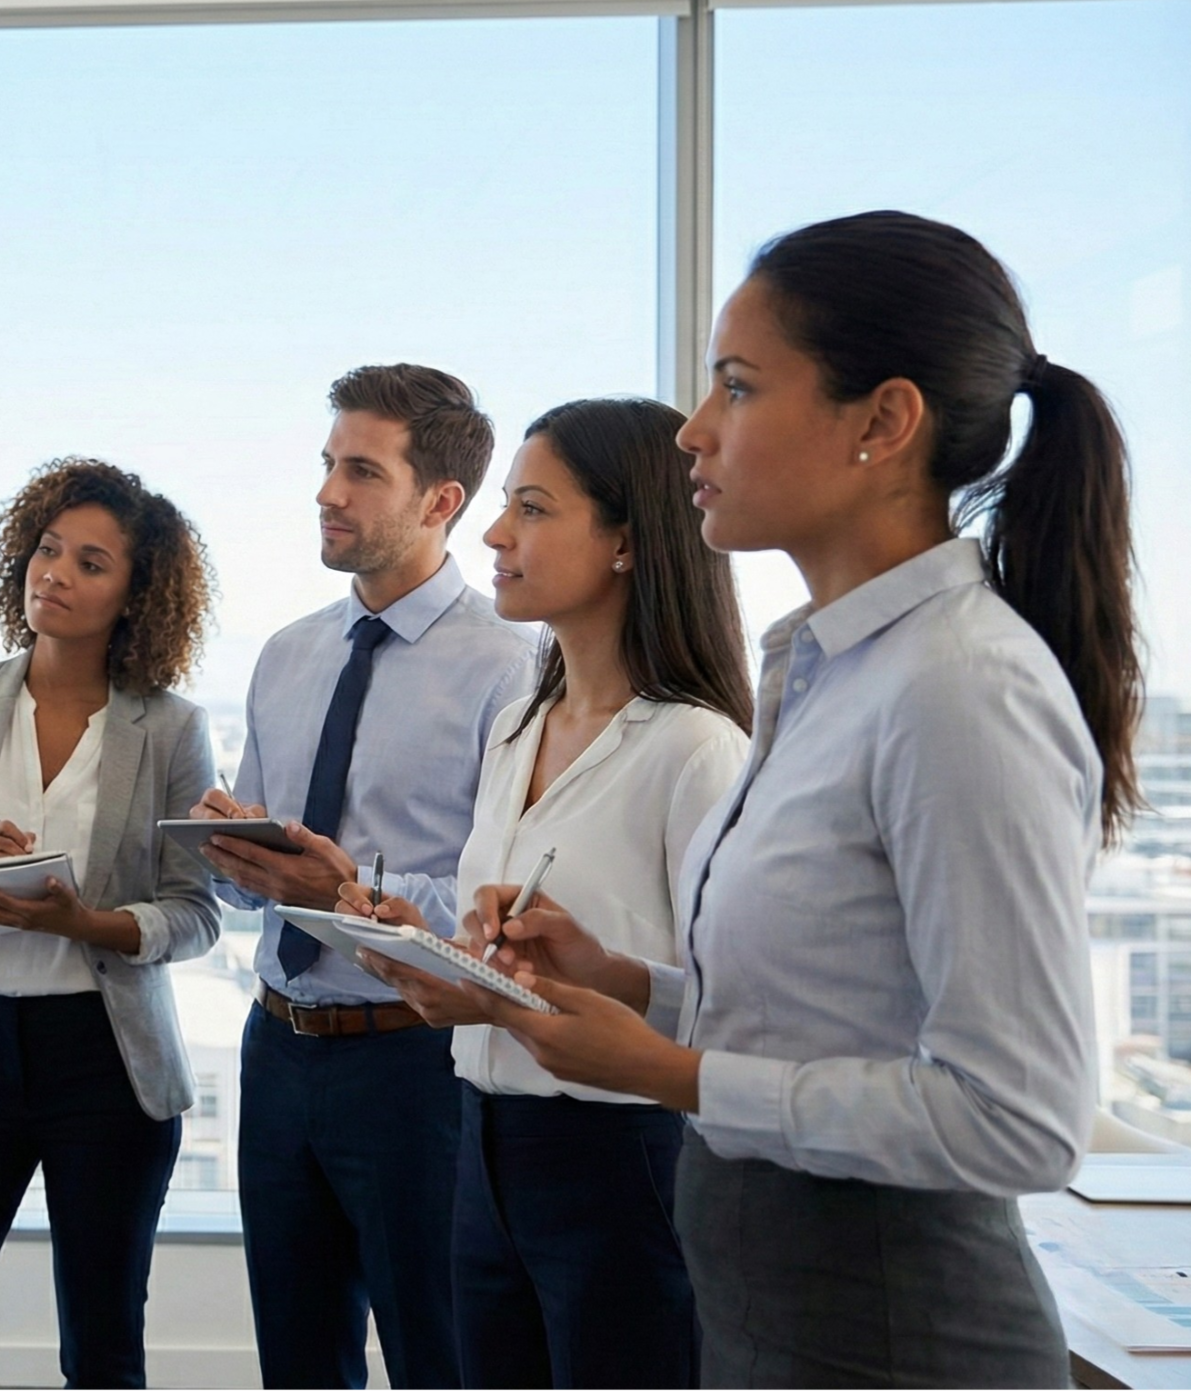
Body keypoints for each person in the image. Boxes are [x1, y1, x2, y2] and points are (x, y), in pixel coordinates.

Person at [458, 211, 1136, 1387]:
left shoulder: (956, 689)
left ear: (882, 421)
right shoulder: (830, 670)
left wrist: (673, 1074)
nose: (693, 430)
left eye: (736, 387)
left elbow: (1020, 1116)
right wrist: (632, 988)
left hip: (890, 1322)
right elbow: (822, 1020)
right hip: (776, 1301)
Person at [341, 397, 752, 1387]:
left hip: (621, 1161)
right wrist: (437, 952)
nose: (492, 531)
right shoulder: (520, 724)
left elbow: (740, 1002)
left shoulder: (696, 748)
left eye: (531, 508)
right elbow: (516, 945)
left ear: (623, 540)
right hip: (480, 1143)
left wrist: (597, 980)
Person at [190, 364, 534, 1388]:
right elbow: (255, 881)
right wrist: (229, 856)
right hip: (277, 1044)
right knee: (296, 1360)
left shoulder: (511, 666)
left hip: (413, 1065)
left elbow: (499, 907)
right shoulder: (286, 655)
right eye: (327, 465)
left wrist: (342, 891)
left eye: (361, 471)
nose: (327, 493)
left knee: (439, 1352)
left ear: (440, 502)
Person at [0, 457, 221, 1389]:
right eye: (47, 548)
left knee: (104, 1350)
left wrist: (87, 922)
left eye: (90, 562)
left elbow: (197, 914)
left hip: (105, 1062)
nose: (54, 572)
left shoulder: (171, 730)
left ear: (136, 594)